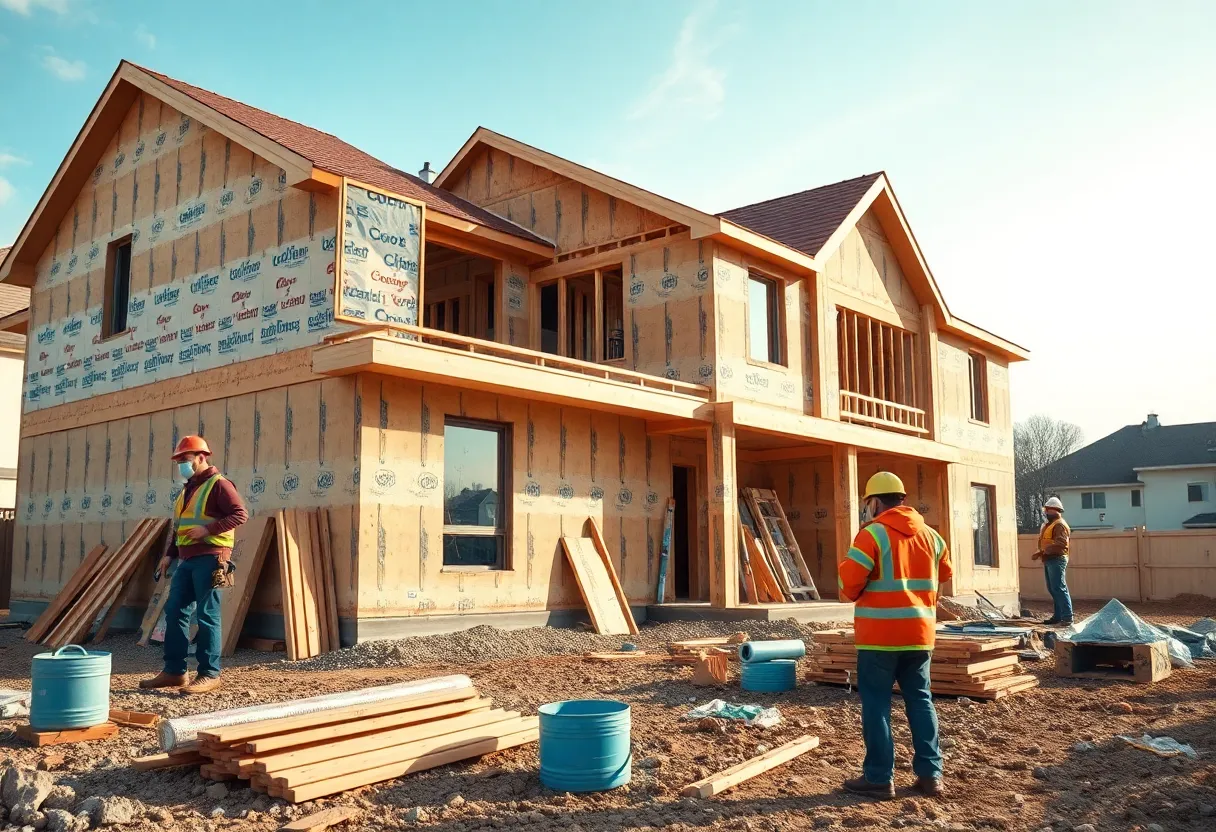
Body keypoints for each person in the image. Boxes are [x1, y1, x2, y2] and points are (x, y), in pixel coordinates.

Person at [837, 472, 953, 800]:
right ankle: (930, 776)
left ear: (874, 502)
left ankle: (878, 778)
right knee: (921, 700)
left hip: (879, 637)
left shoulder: (871, 534)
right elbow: (945, 573)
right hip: (920, 635)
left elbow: (848, 586)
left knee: (877, 704)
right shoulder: (933, 536)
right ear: (902, 500)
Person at [139, 435, 248, 694]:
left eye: (185, 460)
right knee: (175, 611)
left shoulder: (219, 485)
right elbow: (180, 528)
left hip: (211, 558)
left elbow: (240, 514)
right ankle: (175, 672)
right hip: (186, 560)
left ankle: (209, 673)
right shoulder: (187, 489)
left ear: (201, 457)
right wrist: (169, 554)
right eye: (179, 462)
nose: (181, 466)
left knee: (207, 615)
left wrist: (207, 530)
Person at [1031, 496, 1073, 626]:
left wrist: (1045, 551)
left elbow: (1061, 544)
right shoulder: (1050, 525)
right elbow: (1049, 542)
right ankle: (1058, 616)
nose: (1046, 512)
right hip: (1050, 558)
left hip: (1057, 559)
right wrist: (1041, 552)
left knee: (1059, 587)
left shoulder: (1059, 525)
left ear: (1055, 510)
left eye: (1048, 510)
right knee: (1053, 588)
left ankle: (1067, 617)